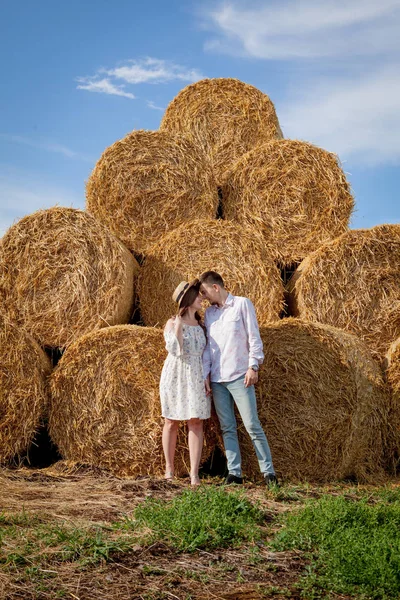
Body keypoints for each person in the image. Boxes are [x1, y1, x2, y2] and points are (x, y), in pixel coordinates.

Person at [199, 271, 278, 487]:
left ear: (216, 287)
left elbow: (254, 337)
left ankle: (268, 473)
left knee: (252, 424)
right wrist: (206, 374)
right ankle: (235, 473)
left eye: (205, 292)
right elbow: (208, 348)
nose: (204, 297)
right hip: (217, 379)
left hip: (239, 376)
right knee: (227, 427)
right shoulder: (210, 315)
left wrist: (254, 366)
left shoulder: (243, 304)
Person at [160, 279, 211, 486]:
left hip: (196, 375)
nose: (201, 298)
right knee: (171, 421)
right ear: (187, 299)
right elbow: (174, 348)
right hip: (175, 375)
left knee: (196, 421)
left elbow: (206, 353)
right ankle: (169, 468)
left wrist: (206, 377)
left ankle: (194, 474)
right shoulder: (172, 323)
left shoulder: (201, 325)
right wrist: (179, 326)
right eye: (198, 295)